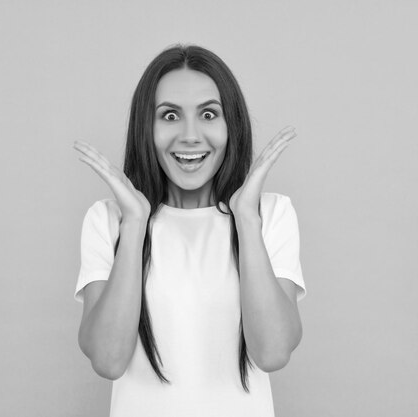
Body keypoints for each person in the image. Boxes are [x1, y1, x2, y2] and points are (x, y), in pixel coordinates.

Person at [72, 44, 306, 417]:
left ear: (232, 126)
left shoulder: (270, 215)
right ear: (145, 128)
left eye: (209, 114)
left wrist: (246, 219)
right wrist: (134, 225)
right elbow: (108, 360)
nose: (190, 136)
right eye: (169, 116)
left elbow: (273, 352)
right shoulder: (108, 220)